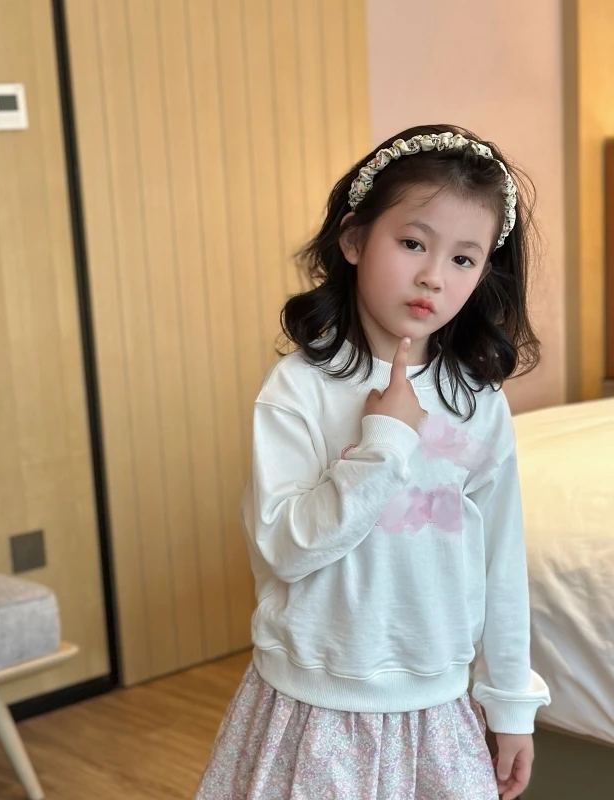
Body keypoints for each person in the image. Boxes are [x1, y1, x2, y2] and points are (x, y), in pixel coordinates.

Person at [195, 124, 551, 800]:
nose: (432, 276)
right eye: (413, 243)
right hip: (311, 707)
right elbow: (283, 549)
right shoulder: (299, 389)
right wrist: (383, 443)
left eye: (463, 258)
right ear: (355, 240)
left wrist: (510, 705)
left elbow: (501, 561)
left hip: (436, 709)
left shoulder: (476, 401)